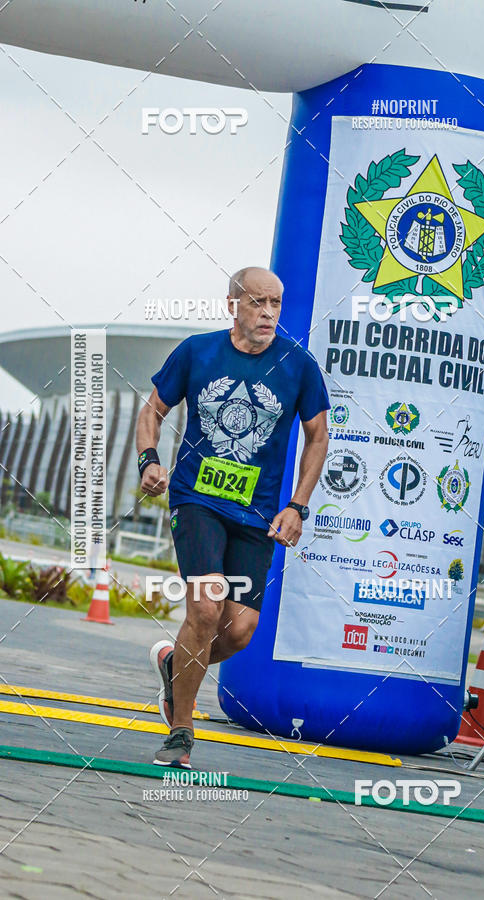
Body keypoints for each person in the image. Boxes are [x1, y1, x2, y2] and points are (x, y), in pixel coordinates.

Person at [136, 266, 330, 767]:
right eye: (257, 303)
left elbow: (317, 437)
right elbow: (151, 411)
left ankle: (174, 666)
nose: (268, 314)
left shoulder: (299, 366)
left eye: (276, 304)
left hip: (257, 513)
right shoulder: (198, 351)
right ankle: (182, 728)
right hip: (196, 500)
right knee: (205, 609)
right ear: (232, 305)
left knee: (239, 630)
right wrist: (149, 459)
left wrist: (297, 506)